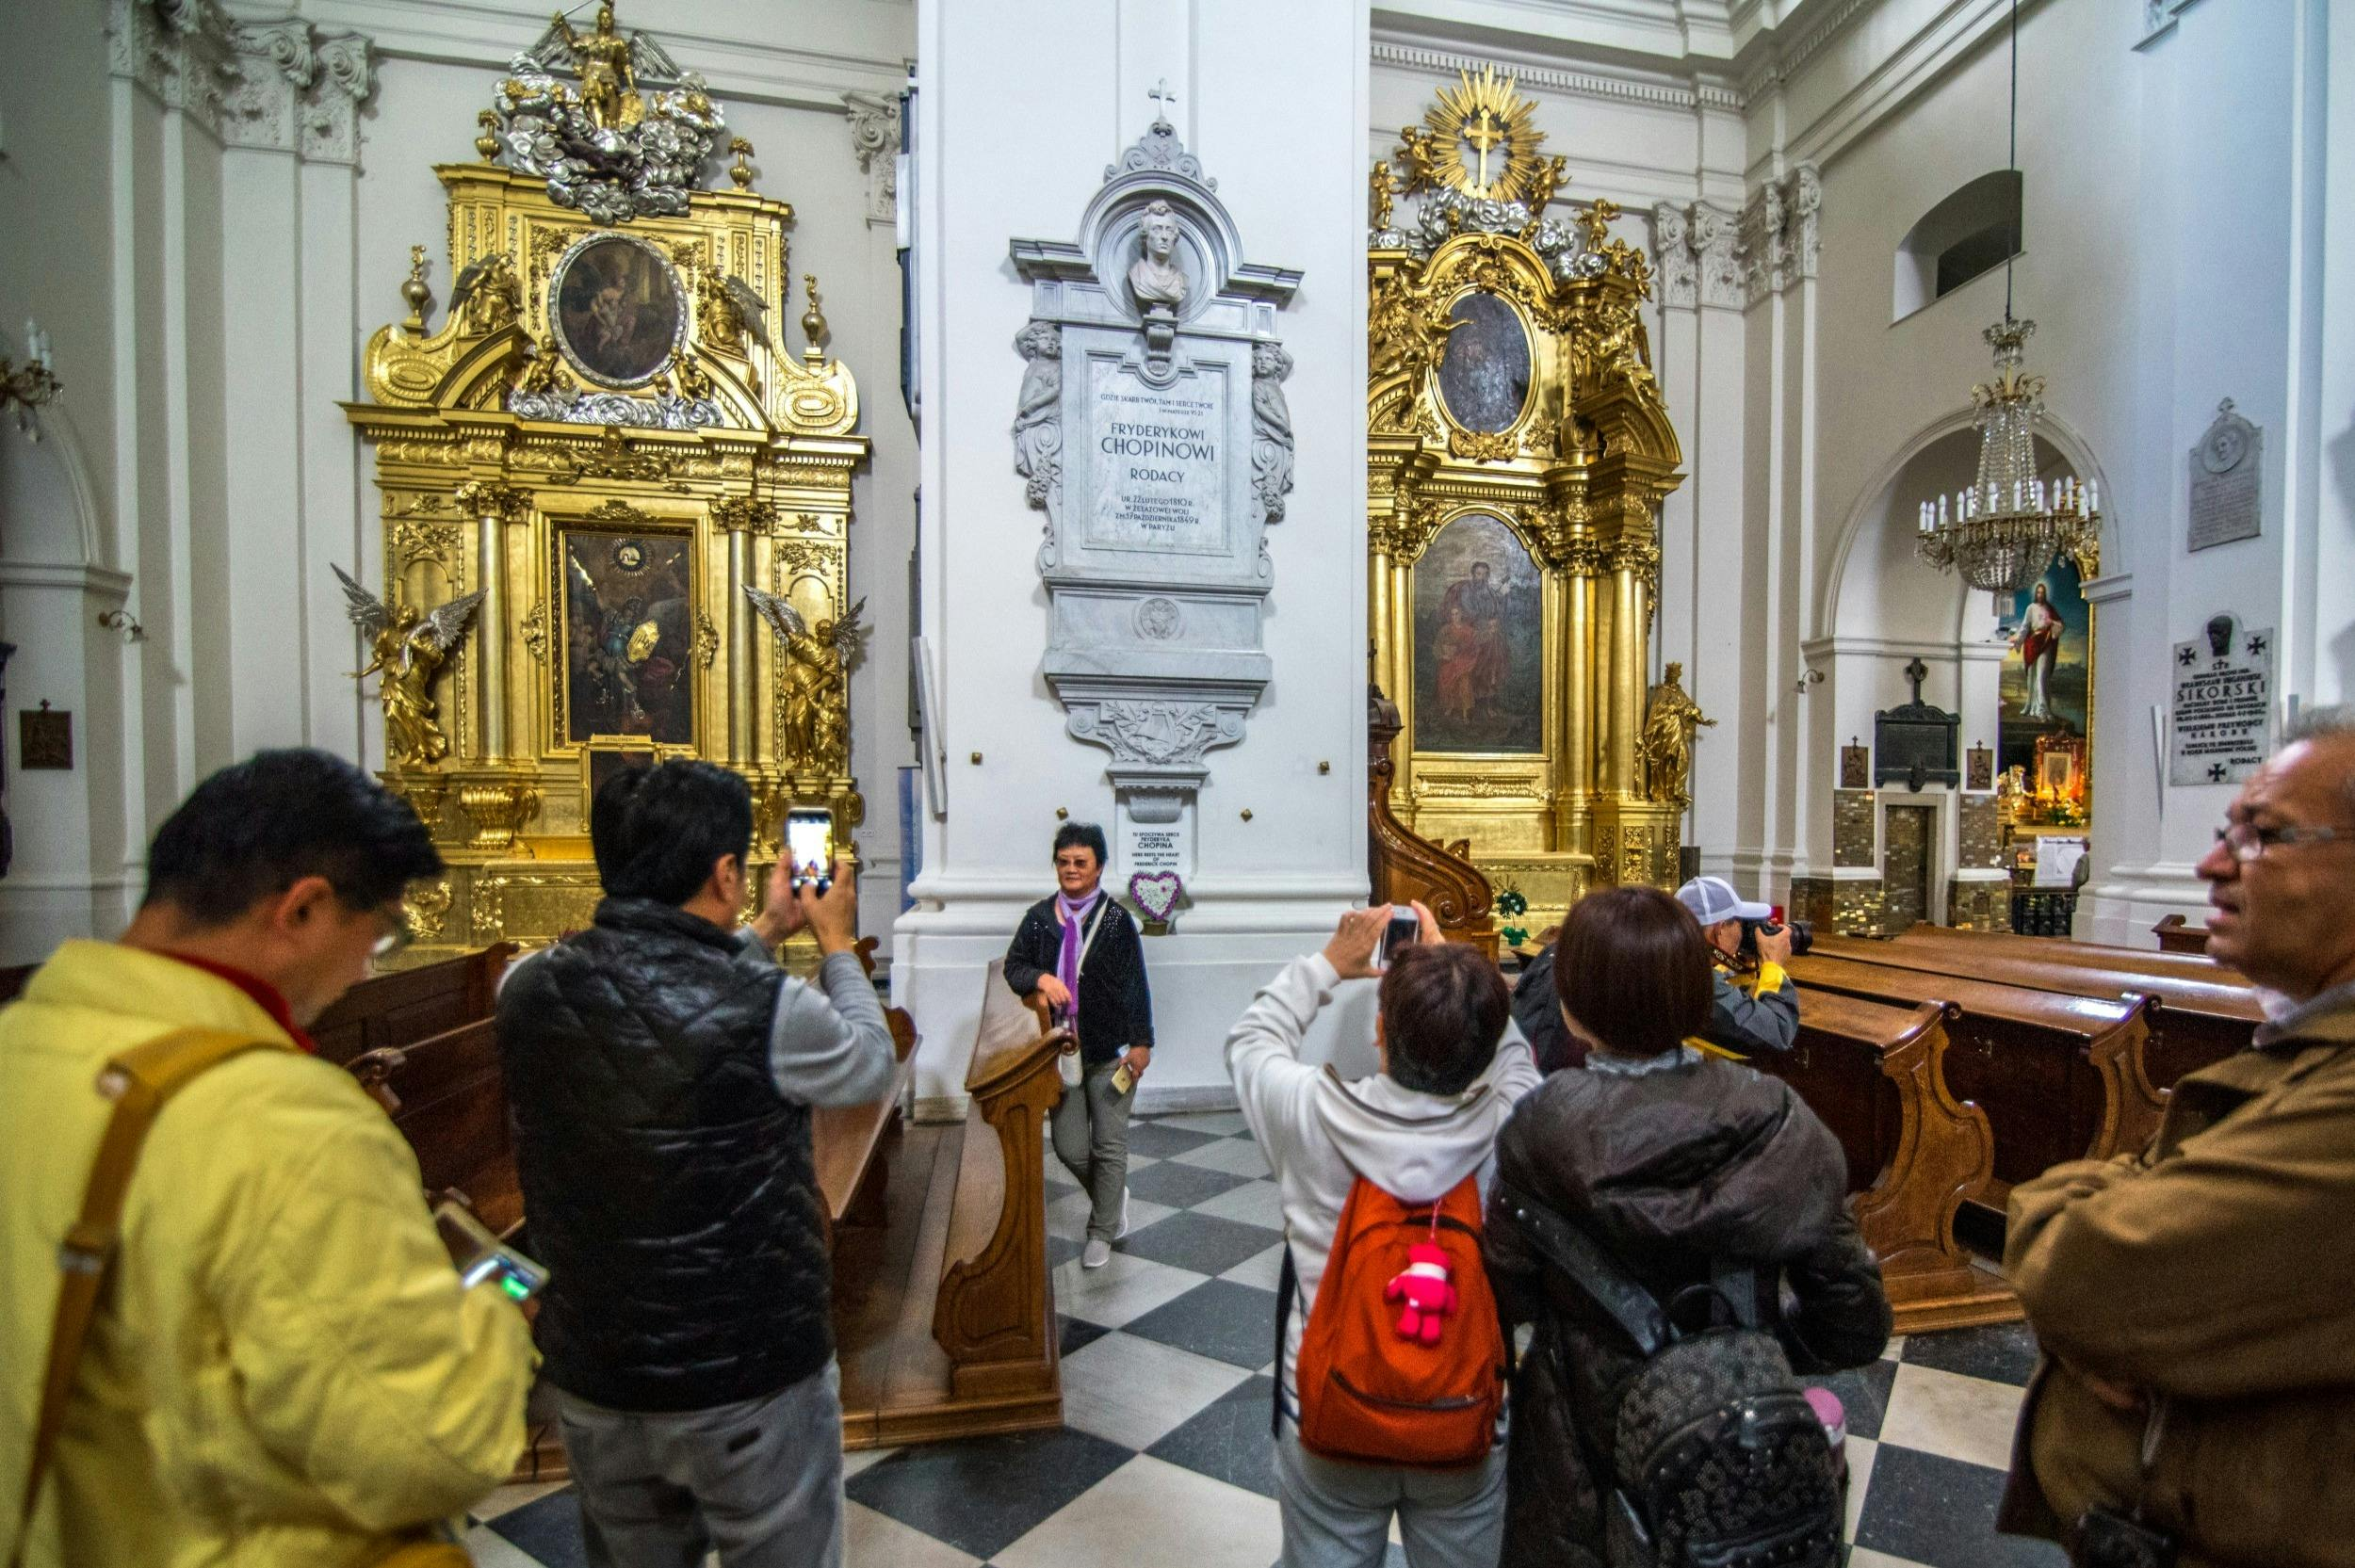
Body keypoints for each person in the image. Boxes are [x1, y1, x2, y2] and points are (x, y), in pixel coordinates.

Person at [0, 749, 536, 1568]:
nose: (368, 965)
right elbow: (435, 1449)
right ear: (305, 910)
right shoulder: (287, 1121)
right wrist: (498, 1316)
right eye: (380, 930)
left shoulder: (20, 1048)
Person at [497, 759, 896, 1568]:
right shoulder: (772, 1009)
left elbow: (665, 1007)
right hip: (747, 1377)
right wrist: (835, 943)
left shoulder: (527, 987)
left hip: (598, 1372)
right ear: (723, 873)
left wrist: (765, 931)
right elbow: (867, 1064)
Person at [1998, 707, 2355, 1566]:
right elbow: (2094, 1223)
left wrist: (2085, 1287)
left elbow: (2086, 1267)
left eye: (2262, 835)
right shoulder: (2300, 1049)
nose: (2211, 864)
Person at [1483, 884, 1890, 1568]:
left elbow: (1507, 1293)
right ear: (1697, 994)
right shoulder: (1776, 1116)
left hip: (1579, 1452)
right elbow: (1856, 1318)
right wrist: (1742, 1351)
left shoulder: (1539, 1130)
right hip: (1740, 1448)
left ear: (1572, 1010)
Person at [1226, 901, 1542, 1568]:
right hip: (1465, 1411)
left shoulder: (1310, 1111)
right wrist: (1457, 970)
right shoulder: (1514, 1122)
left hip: (1331, 1407)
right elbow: (1516, 1058)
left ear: (1378, 1030)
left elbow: (1251, 1041)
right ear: (1483, 1048)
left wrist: (1327, 965)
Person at [1003, 822, 1155, 1269]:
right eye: (1064, 862)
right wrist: (1040, 978)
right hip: (1061, 1052)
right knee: (1070, 1148)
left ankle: (1102, 1229)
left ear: (1099, 867)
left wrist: (1142, 1044)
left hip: (1110, 1053)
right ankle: (1112, 1197)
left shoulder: (1115, 921)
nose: (1071, 870)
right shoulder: (1038, 919)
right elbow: (1014, 967)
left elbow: (1135, 985)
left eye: (1080, 862)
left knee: (1110, 1145)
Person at [1510, 874, 1796, 1072]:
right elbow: (1774, 1032)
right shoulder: (1681, 974)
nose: (1744, 933)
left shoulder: (1566, 952)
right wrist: (1772, 962)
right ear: (1720, 931)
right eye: (1739, 924)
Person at [2013, 580, 2064, 720]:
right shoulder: (2030, 608)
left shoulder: (2049, 609)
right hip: (2032, 642)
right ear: (2036, 594)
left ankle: (2042, 708)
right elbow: (2025, 626)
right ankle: (2030, 706)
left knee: (2041, 676)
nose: (2040, 594)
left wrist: (2051, 622)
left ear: (2045, 594)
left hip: (2045, 643)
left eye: (2042, 592)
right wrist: (2018, 641)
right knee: (2031, 676)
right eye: (2038, 592)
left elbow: (2059, 625)